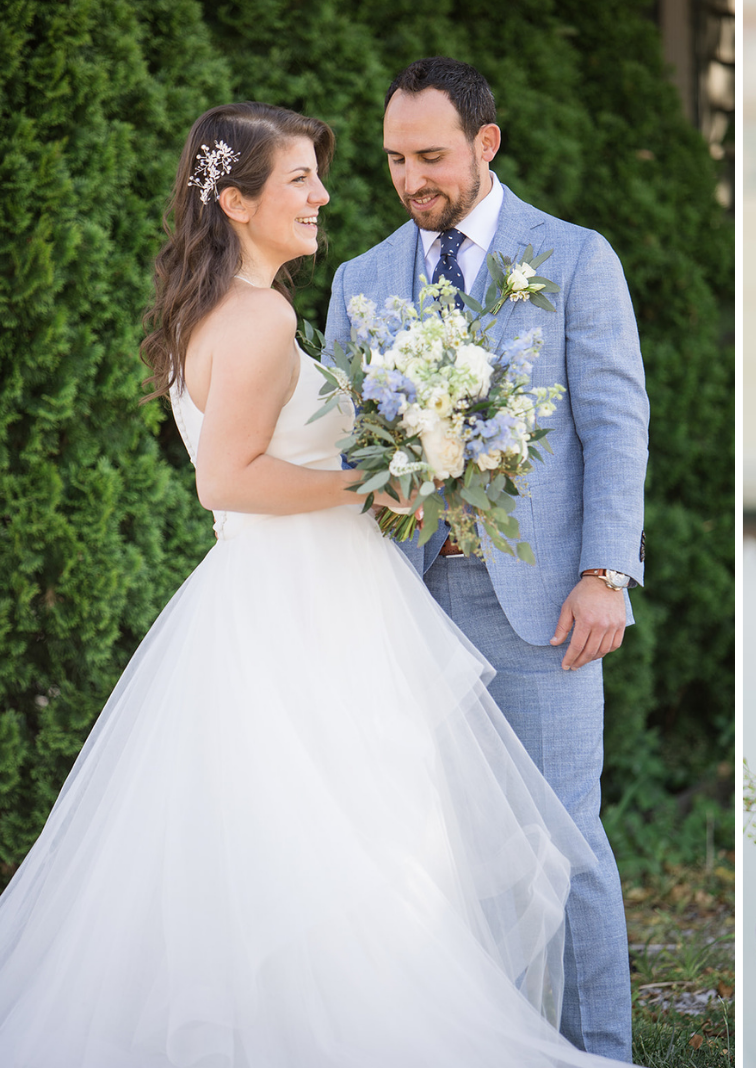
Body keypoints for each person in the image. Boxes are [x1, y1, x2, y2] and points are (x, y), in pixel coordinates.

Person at [0, 101, 631, 1068]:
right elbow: (229, 478)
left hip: (302, 597)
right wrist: (385, 480)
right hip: (305, 603)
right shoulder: (261, 314)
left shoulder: (224, 308)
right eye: (301, 179)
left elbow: (611, 419)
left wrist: (594, 560)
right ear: (239, 201)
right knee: (349, 844)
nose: (325, 194)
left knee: (321, 840)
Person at [322, 57, 647, 1062]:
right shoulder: (360, 279)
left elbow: (614, 418)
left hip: (542, 598)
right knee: (449, 851)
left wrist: (606, 571)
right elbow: (343, 442)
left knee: (564, 842)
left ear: (486, 144)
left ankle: (598, 1053)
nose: (412, 178)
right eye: (393, 160)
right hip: (407, 597)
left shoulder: (574, 256)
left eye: (431, 156)